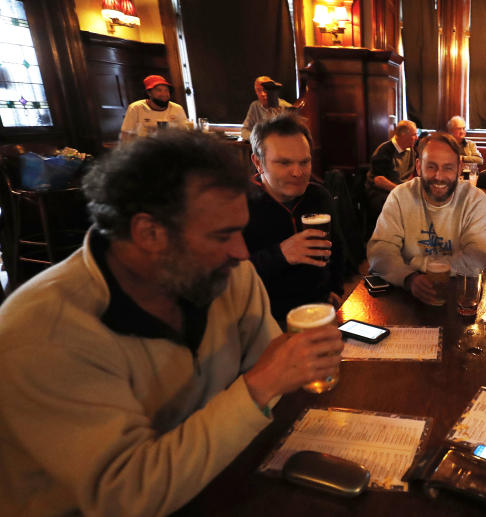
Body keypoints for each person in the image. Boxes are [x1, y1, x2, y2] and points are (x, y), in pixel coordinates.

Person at [0, 130, 343, 517]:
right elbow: (128, 497)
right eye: (222, 236)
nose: (242, 252)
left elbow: (273, 381)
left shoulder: (230, 276)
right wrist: (260, 385)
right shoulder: (40, 333)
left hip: (216, 486)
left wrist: (287, 370)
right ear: (149, 233)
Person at [243, 115, 344, 326]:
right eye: (284, 163)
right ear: (258, 162)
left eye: (304, 162)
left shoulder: (319, 196)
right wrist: (281, 254)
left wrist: (334, 288)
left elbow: (337, 249)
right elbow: (227, 279)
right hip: (262, 319)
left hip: (318, 310)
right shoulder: (239, 204)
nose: (298, 172)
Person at [367, 131, 486, 304]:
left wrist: (417, 263)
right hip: (406, 297)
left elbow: (476, 259)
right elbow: (379, 251)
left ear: (459, 168)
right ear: (418, 167)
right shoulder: (400, 196)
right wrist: (409, 279)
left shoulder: (475, 199)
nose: (439, 176)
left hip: (459, 298)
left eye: (448, 167)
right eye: (431, 166)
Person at [366, 120, 419, 226]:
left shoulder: (411, 150)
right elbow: (378, 180)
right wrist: (400, 191)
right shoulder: (384, 150)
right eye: (414, 135)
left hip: (399, 190)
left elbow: (411, 173)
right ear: (403, 135)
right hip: (381, 193)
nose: (417, 138)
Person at [119, 75, 188, 142]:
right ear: (149, 93)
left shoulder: (177, 108)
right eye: (159, 90)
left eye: (166, 90)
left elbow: (185, 132)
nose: (164, 94)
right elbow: (126, 135)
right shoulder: (136, 108)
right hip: (144, 150)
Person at [241, 76, 294, 140]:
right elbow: (245, 130)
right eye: (258, 90)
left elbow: (291, 135)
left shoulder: (287, 108)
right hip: (260, 145)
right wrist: (256, 139)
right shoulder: (254, 106)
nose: (262, 94)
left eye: (264, 90)